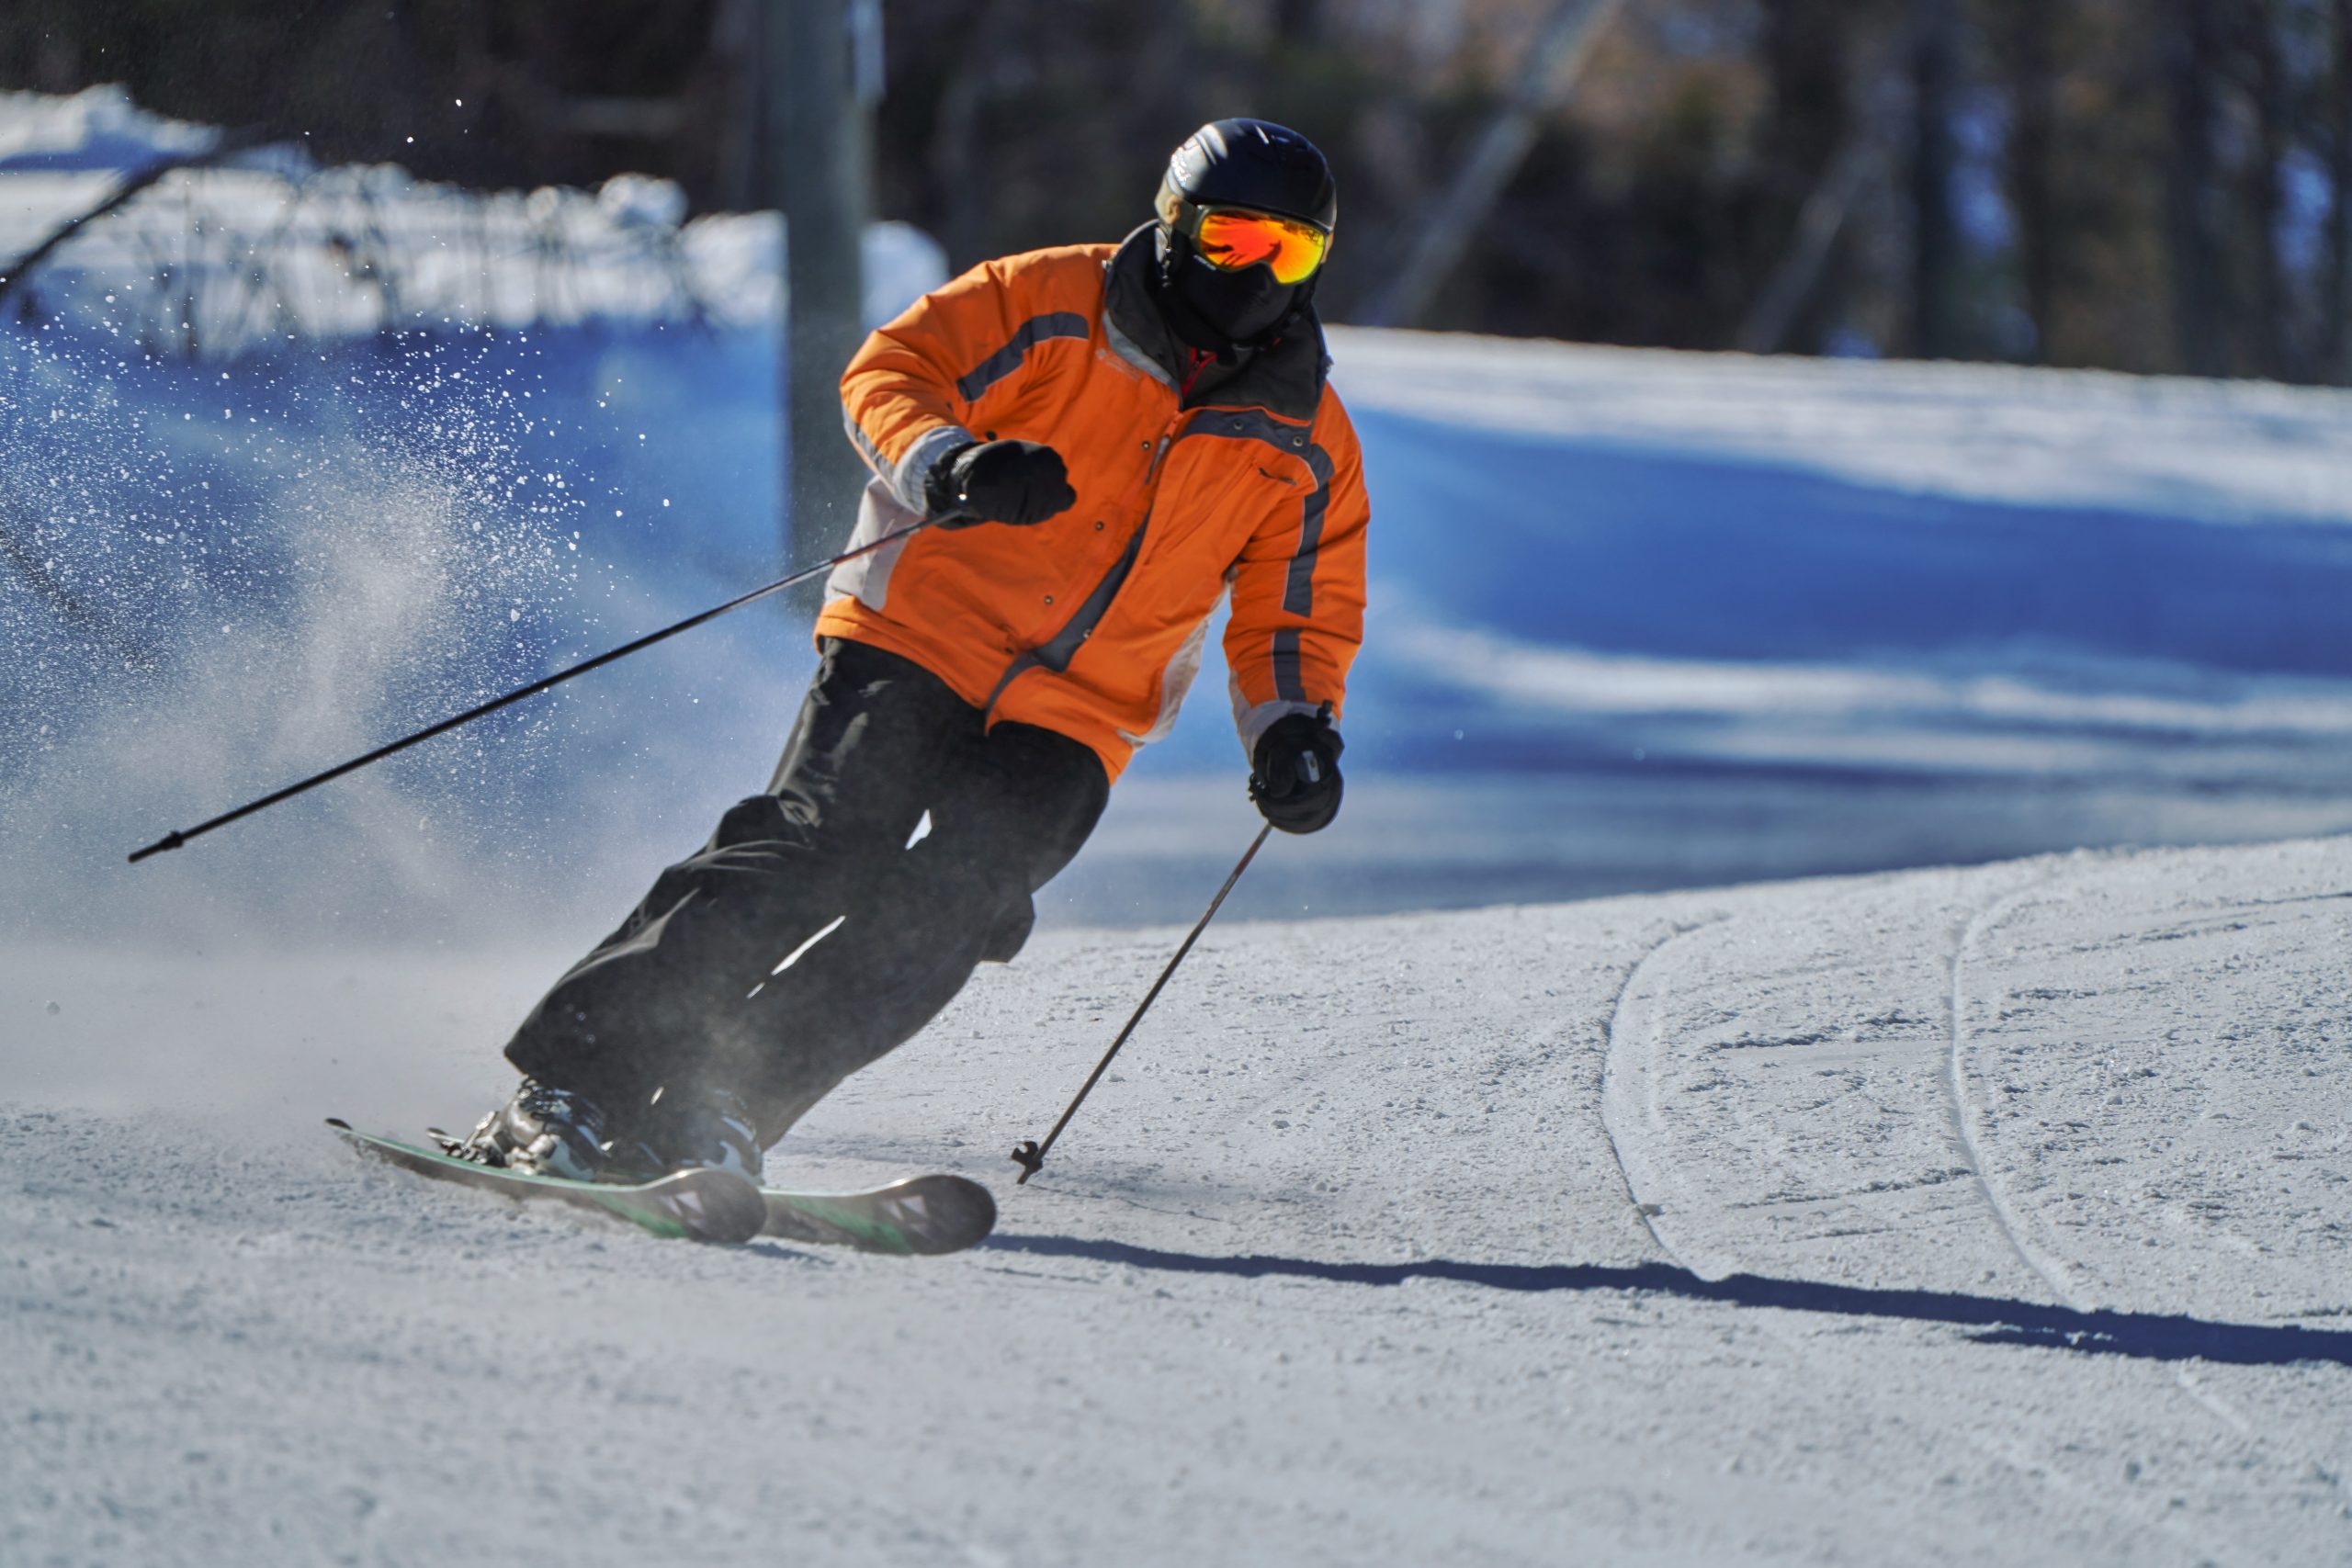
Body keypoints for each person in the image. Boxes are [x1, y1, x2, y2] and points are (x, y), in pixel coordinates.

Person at [457, 118, 1371, 1181]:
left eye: (1290, 251)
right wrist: (953, 464)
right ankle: (571, 1086)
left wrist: (1295, 728)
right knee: (819, 845)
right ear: (1174, 225)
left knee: (955, 906)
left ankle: (720, 1108)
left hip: (1081, 711)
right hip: (917, 634)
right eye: (1232, 241)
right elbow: (892, 373)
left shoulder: (1306, 435)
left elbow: (1294, 610)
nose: (1258, 273)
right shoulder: (1047, 302)